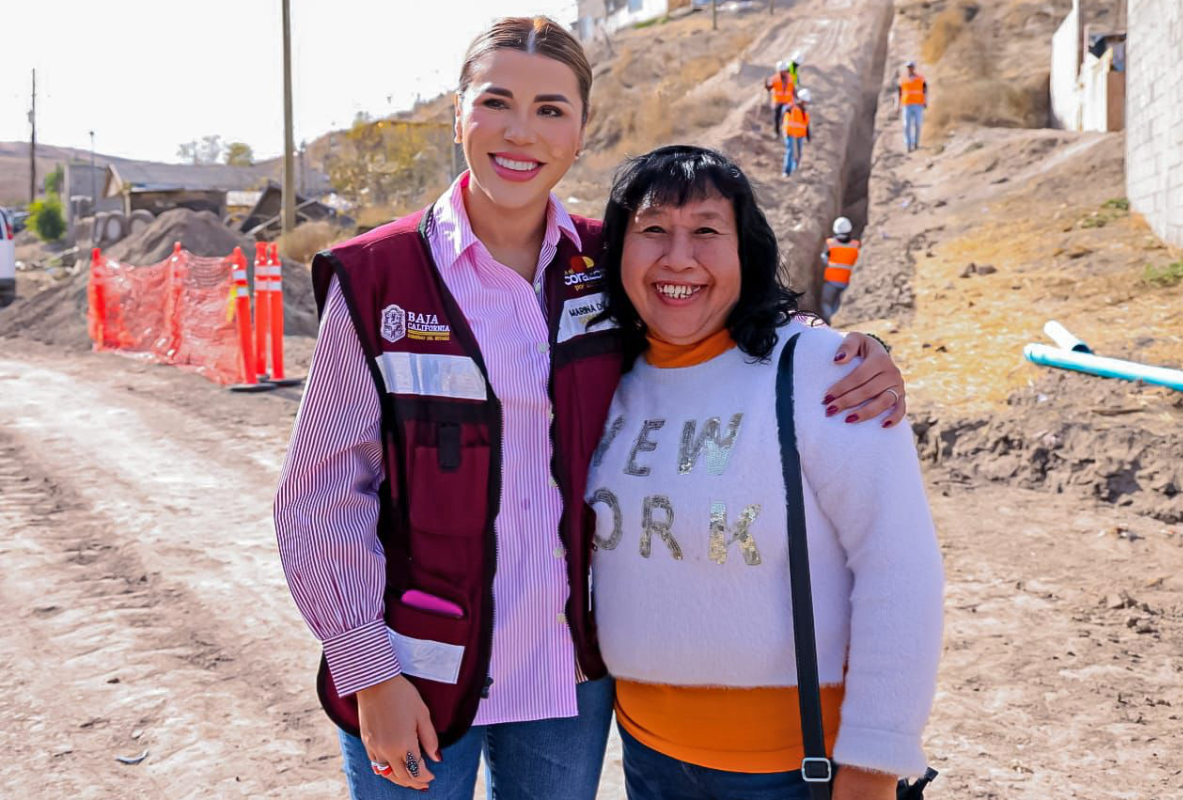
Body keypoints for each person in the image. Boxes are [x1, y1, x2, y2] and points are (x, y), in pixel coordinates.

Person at [274, 17, 912, 800]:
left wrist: (840, 346)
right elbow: (318, 498)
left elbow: (710, 305)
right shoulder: (379, 278)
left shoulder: (606, 265)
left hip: (566, 683)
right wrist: (369, 671)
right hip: (416, 673)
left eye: (550, 109)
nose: (521, 131)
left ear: (581, 129)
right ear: (458, 114)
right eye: (496, 102)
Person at [588, 145, 943, 800]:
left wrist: (873, 764)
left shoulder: (820, 371)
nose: (678, 258)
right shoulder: (609, 378)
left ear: (745, 249)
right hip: (645, 755)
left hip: (793, 768)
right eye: (653, 230)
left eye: (705, 231)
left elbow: (900, 566)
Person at [820, 216, 859, 320]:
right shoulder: (856, 245)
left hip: (831, 280)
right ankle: (835, 320)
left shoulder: (830, 243)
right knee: (839, 305)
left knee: (826, 302)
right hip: (847, 281)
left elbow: (824, 259)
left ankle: (828, 321)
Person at [782, 88, 812, 177]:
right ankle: (787, 171)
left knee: (799, 152)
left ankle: (795, 168)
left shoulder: (805, 112)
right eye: (804, 101)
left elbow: (806, 125)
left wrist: (808, 136)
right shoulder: (792, 107)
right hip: (790, 132)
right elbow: (785, 109)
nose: (805, 103)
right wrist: (791, 104)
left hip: (800, 134)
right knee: (790, 151)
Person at [899, 60, 927, 153]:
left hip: (918, 104)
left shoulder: (920, 78)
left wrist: (925, 101)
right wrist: (897, 105)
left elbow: (925, 90)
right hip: (906, 105)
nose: (910, 69)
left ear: (913, 68)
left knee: (917, 124)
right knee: (906, 125)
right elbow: (899, 92)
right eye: (908, 67)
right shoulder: (903, 79)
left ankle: (916, 143)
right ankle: (908, 144)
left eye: (911, 67)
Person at [764, 60, 796, 139]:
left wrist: (796, 98)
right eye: (781, 71)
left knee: (790, 117)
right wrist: (766, 85)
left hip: (788, 102)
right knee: (777, 117)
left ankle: (790, 132)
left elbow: (793, 89)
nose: (783, 72)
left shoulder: (790, 78)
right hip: (778, 102)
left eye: (784, 71)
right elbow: (769, 88)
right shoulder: (775, 78)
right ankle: (777, 132)